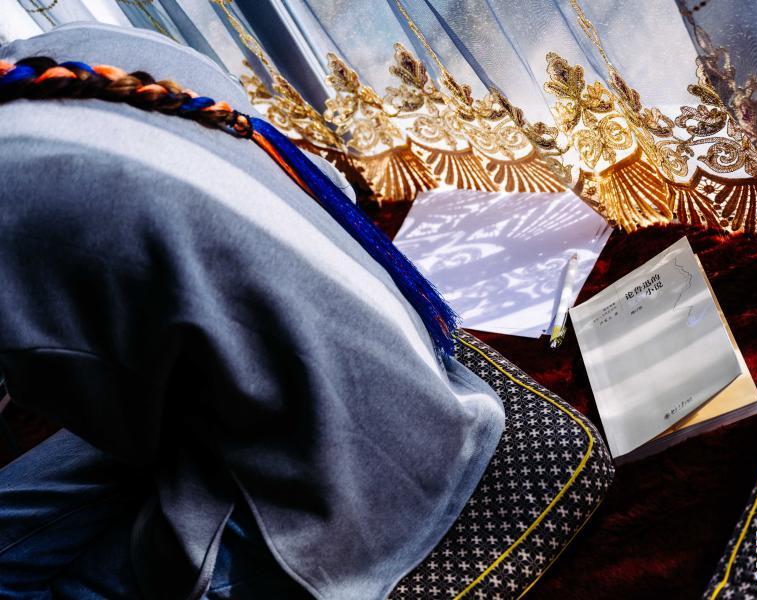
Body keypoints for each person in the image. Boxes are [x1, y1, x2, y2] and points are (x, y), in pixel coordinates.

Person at [0, 23, 504, 600]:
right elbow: (332, 187)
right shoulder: (97, 42)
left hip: (345, 492)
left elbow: (133, 434)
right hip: (404, 364)